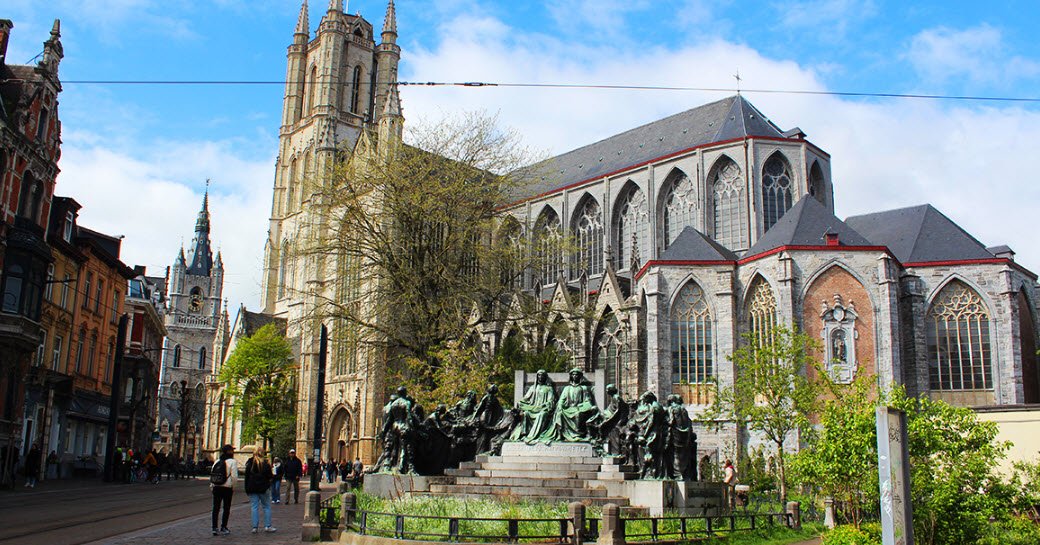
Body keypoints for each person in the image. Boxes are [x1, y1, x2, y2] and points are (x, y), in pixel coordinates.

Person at [244, 447, 277, 534]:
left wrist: (247, 488)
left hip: (252, 488)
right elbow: (270, 476)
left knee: (254, 507)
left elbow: (246, 477)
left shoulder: (249, 463)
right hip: (263, 488)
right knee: (266, 507)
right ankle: (268, 526)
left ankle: (254, 527)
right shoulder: (265, 463)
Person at [211, 444, 238, 536]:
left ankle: (214, 527)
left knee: (216, 508)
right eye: (232, 450)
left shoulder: (217, 461)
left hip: (216, 487)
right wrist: (234, 486)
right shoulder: (232, 462)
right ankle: (223, 527)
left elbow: (212, 474)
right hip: (227, 488)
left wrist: (212, 486)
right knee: (226, 508)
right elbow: (234, 476)